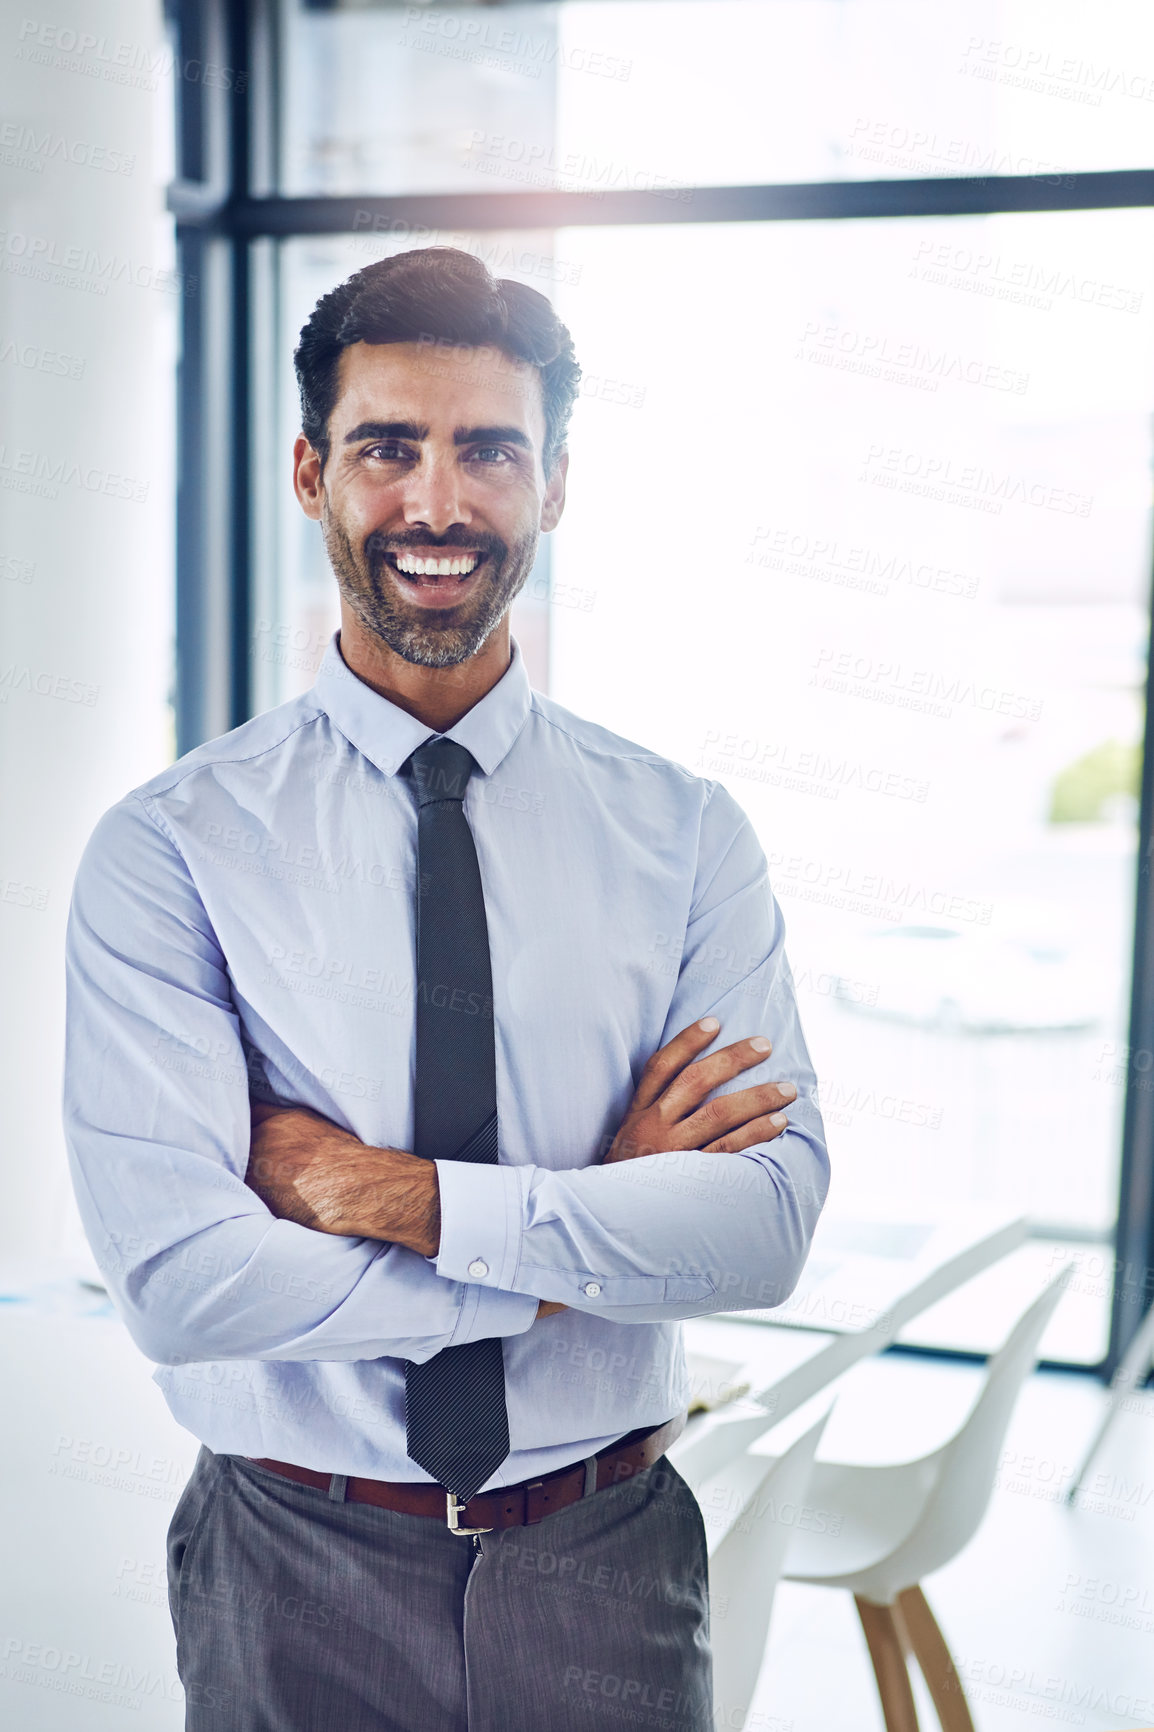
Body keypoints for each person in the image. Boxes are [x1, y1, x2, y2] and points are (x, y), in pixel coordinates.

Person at [63, 247, 828, 1732]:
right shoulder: (170, 849)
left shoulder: (681, 834)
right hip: (288, 1559)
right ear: (309, 472)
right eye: (385, 448)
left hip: (604, 1552)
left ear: (553, 485)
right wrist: (595, 1223)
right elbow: (184, 1284)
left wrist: (393, 1195)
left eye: (487, 449)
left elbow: (762, 1229)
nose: (435, 503)